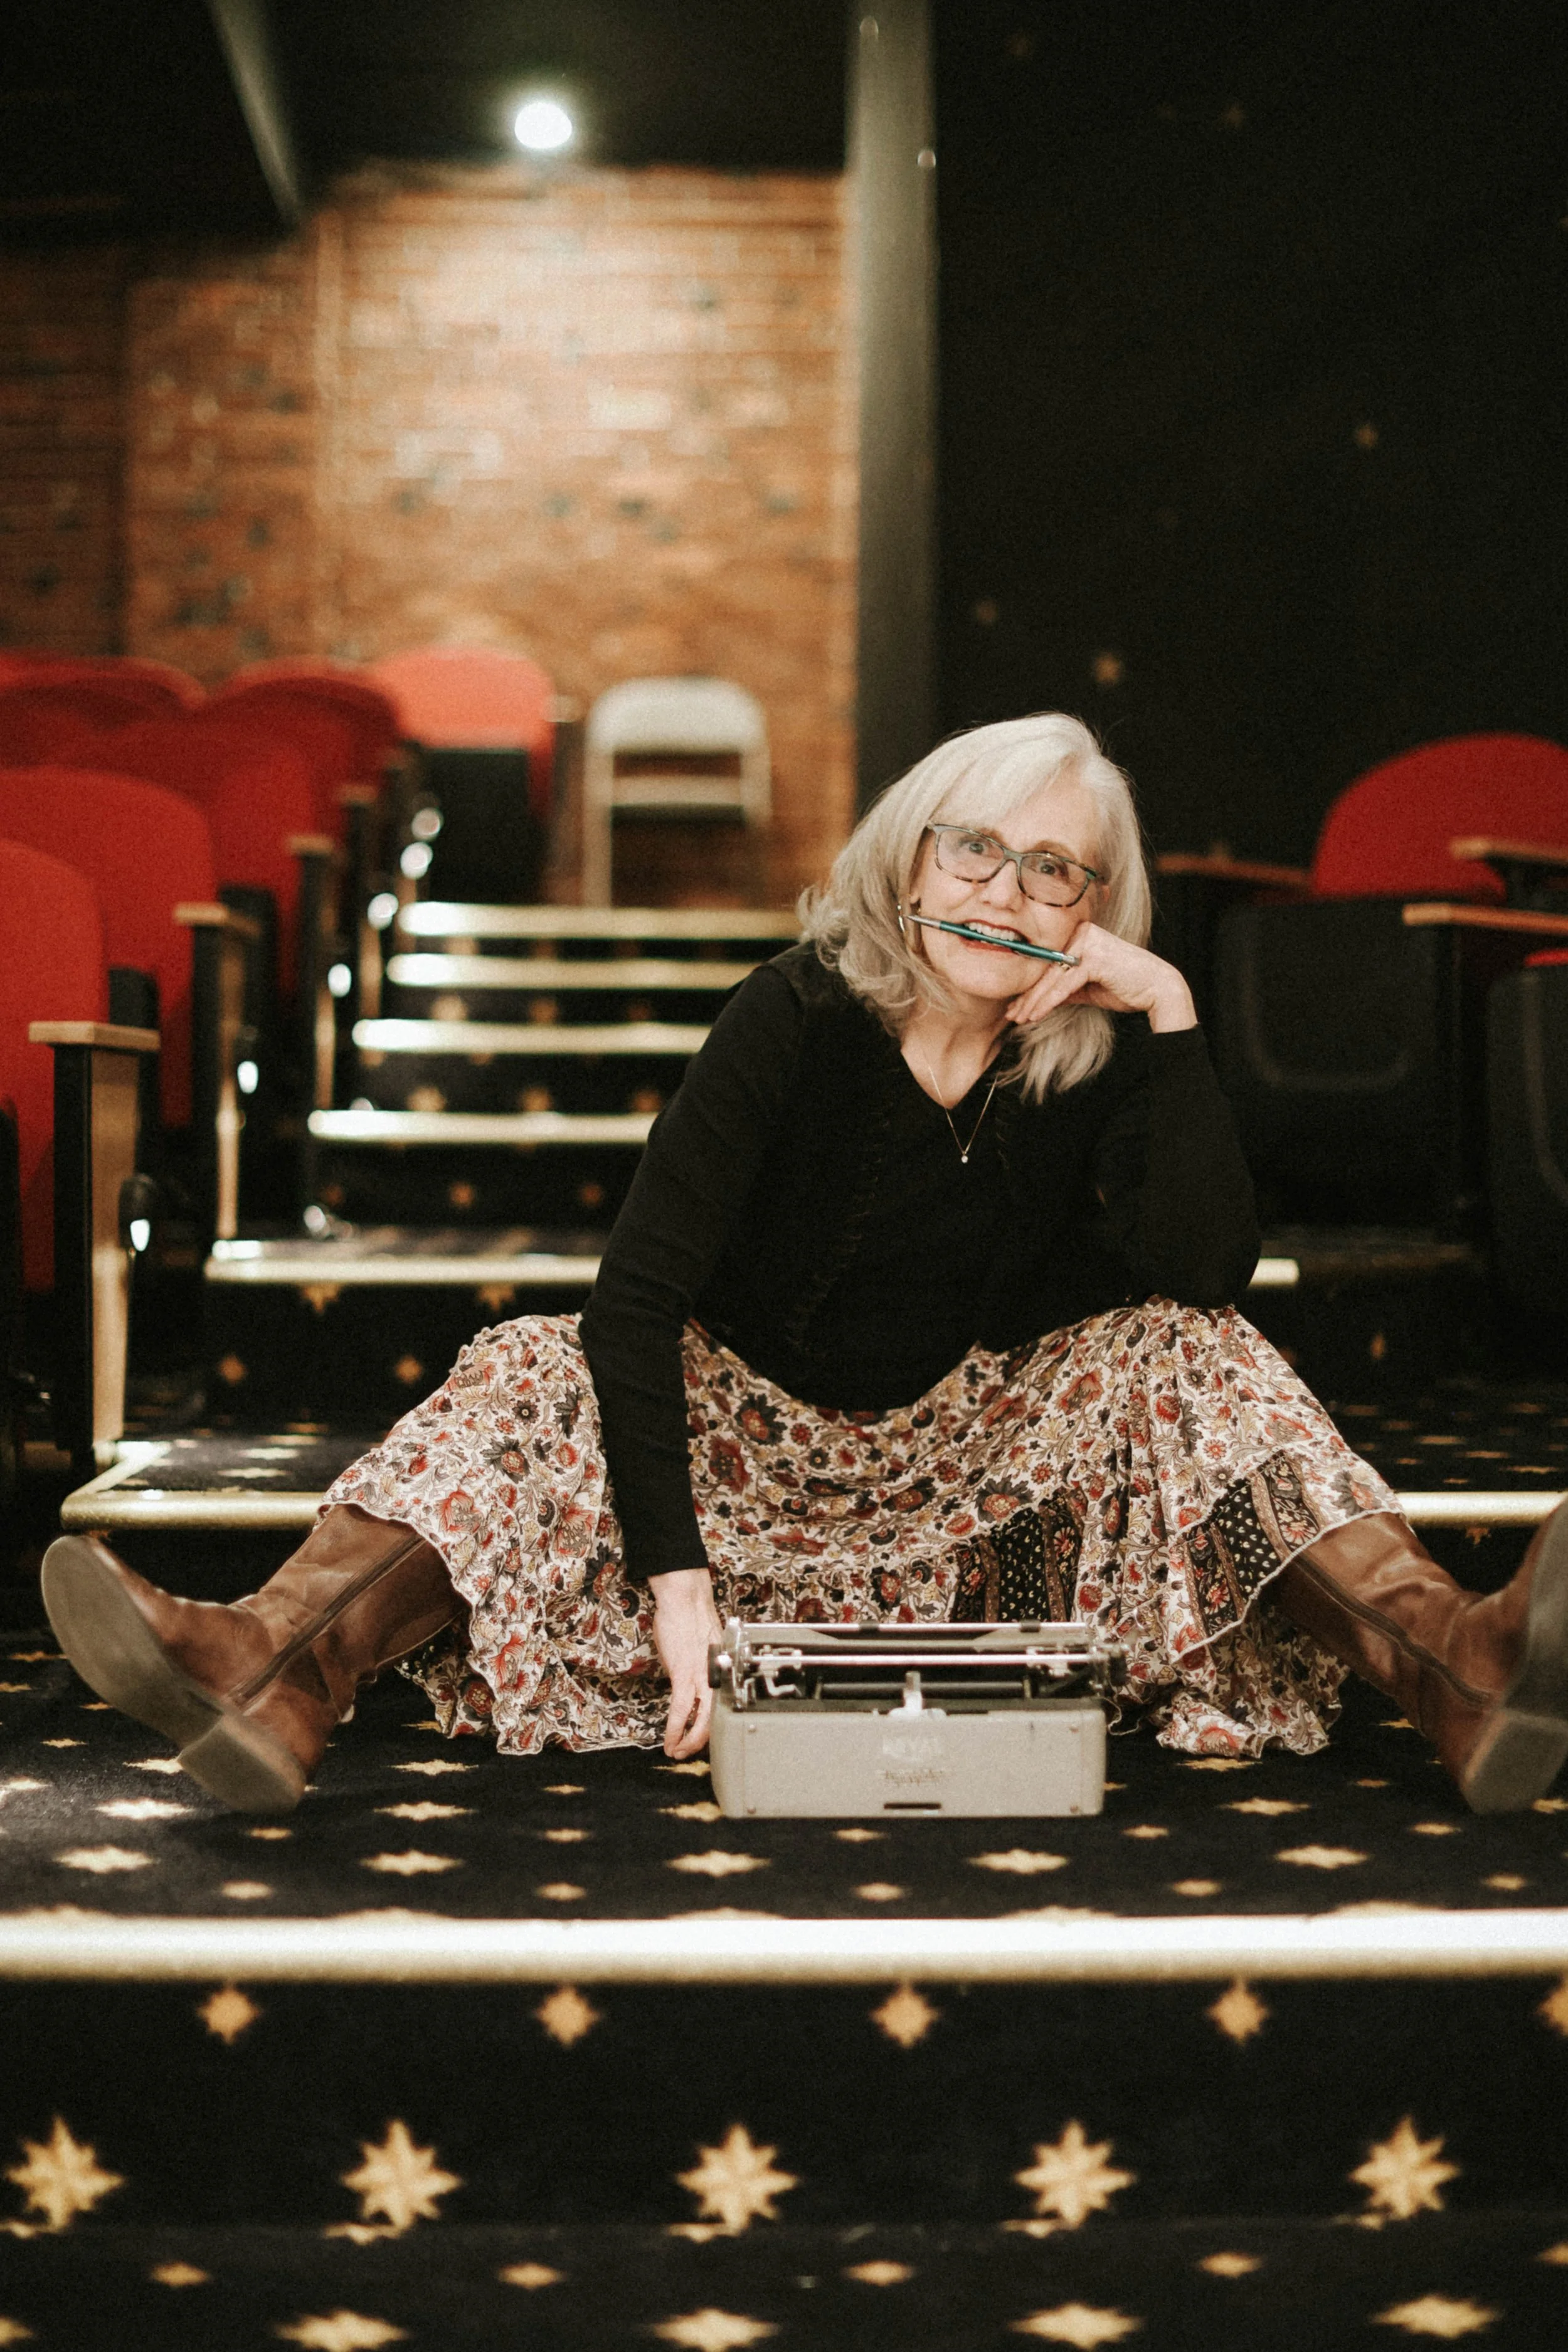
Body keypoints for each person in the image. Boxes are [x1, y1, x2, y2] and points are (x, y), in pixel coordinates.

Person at [42, 713, 1568, 1815]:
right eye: (974, 847)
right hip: (734, 1470)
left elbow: (1207, 1267)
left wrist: (1165, 1017)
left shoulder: (1096, 1064)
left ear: (1089, 914)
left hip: (976, 1492)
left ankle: (1454, 1665)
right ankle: (270, 1665)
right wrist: (676, 1577)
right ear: (908, 862)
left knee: (1192, 1350)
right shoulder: (791, 1014)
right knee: (530, 1365)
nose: (1005, 892)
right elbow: (636, 1294)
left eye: (1054, 871)